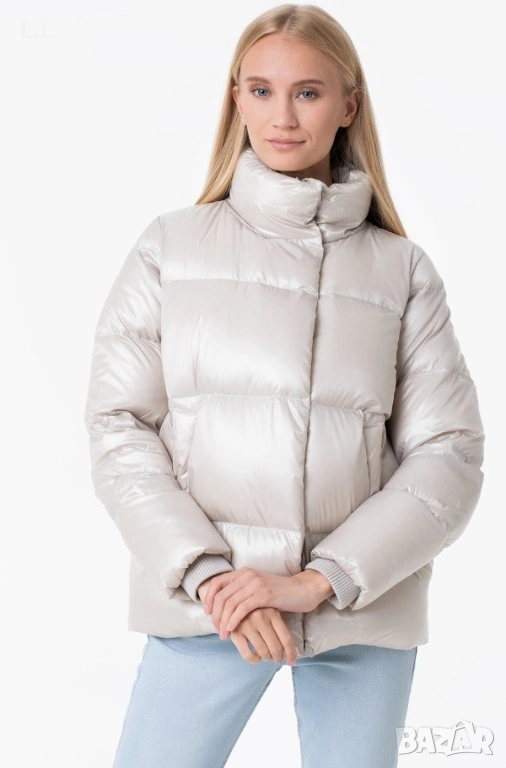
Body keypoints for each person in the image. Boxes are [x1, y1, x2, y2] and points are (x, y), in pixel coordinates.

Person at [83, 4, 485, 767]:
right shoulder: (171, 248)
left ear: (348, 105)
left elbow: (449, 456)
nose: (284, 116)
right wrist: (209, 577)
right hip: (211, 607)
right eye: (262, 90)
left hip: (360, 607)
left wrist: (321, 580)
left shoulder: (402, 271)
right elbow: (118, 426)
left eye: (308, 92)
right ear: (236, 99)